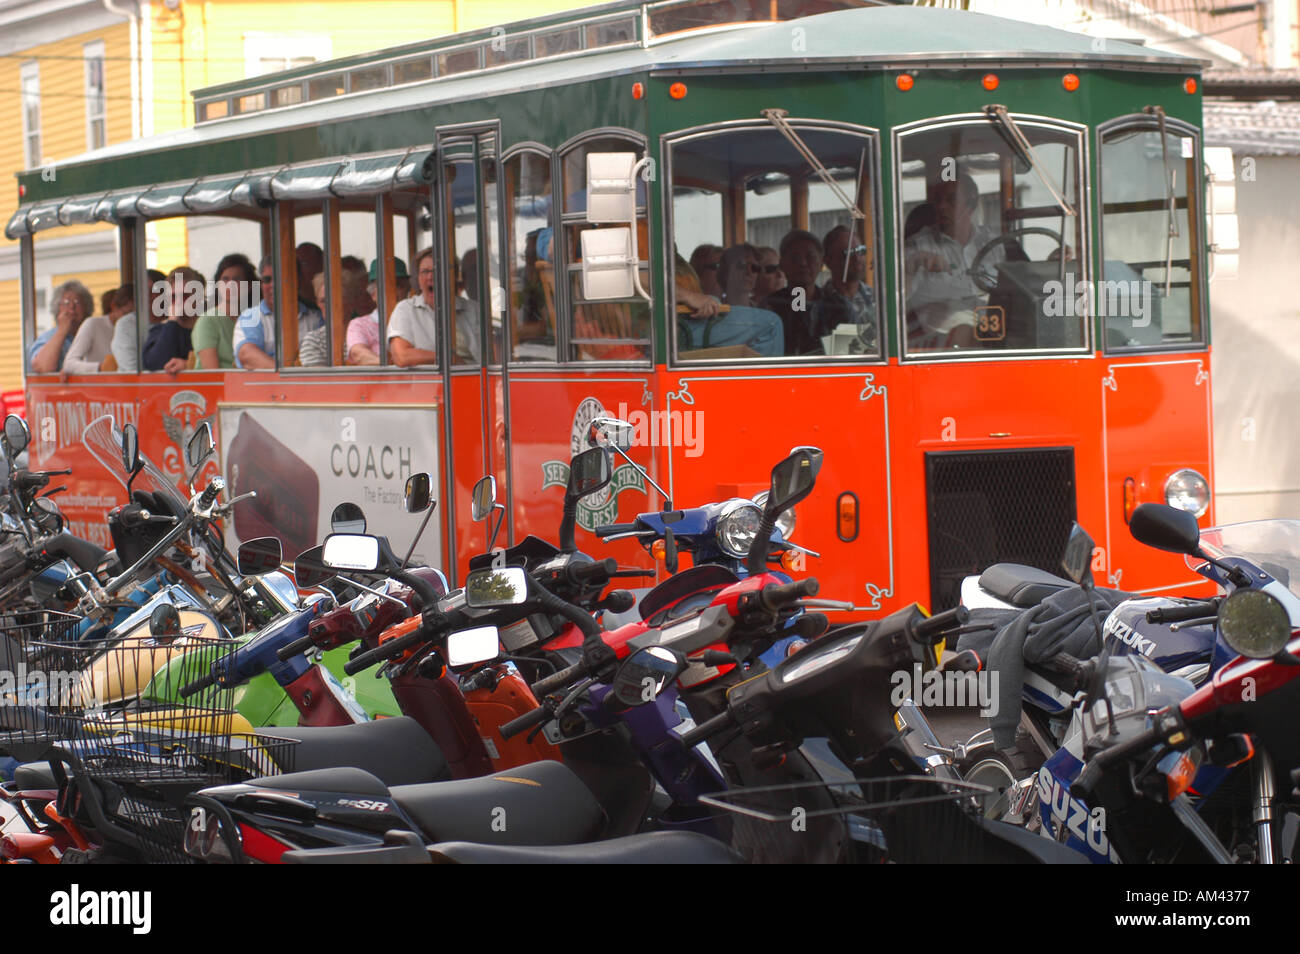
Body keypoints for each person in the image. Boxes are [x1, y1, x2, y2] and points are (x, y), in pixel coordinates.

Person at [903, 173, 1004, 349]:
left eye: (951, 200)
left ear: (971, 206)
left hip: (995, 335)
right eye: (938, 200)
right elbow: (892, 301)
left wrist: (1049, 264)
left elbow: (1019, 286)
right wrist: (913, 264)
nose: (942, 207)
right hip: (940, 347)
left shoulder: (993, 244)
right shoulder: (918, 247)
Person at [677, 245, 783, 357]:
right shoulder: (713, 310)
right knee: (771, 324)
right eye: (741, 265)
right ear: (724, 272)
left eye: (755, 268)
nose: (749, 272)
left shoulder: (765, 309)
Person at [388, 248, 477, 367]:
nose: (430, 277)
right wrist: (448, 358)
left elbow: (495, 353)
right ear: (418, 280)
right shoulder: (405, 309)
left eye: (437, 270)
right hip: (430, 384)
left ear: (453, 277)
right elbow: (401, 356)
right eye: (425, 271)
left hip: (478, 381)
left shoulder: (474, 309)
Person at [233, 255, 324, 369]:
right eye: (267, 280)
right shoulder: (250, 317)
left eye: (280, 278)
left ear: (298, 281)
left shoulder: (316, 318)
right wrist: (291, 378)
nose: (273, 285)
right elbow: (247, 355)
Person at [760, 230, 832, 356]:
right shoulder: (769, 308)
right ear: (782, 265)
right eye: (795, 258)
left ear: (821, 263)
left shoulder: (838, 306)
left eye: (810, 257)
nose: (803, 264)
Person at [299, 256, 372, 367]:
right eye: (323, 301)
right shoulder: (314, 341)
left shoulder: (368, 333)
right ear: (318, 304)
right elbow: (317, 382)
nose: (329, 306)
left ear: (351, 302)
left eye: (336, 300)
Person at [820, 225, 878, 354]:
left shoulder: (878, 298)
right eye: (848, 253)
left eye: (860, 250)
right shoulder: (819, 303)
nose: (857, 258)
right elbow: (829, 351)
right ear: (828, 261)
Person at [193, 253, 256, 370]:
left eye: (237, 279)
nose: (230, 285)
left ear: (249, 286)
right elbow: (211, 372)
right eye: (225, 279)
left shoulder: (252, 319)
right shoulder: (208, 320)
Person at [346, 257, 409, 366]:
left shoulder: (417, 319)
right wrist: (395, 366)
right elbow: (359, 354)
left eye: (398, 285)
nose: (393, 291)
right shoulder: (359, 325)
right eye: (385, 286)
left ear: (407, 290)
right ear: (373, 294)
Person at [144, 266, 205, 373]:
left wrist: (188, 366)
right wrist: (172, 322)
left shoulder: (209, 328)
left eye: (185, 296)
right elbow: (154, 365)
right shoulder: (159, 331)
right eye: (173, 297)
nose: (178, 301)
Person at [107, 270, 167, 372]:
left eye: (155, 292)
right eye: (143, 291)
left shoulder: (173, 323)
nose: (150, 296)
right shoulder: (126, 324)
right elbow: (132, 370)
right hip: (134, 386)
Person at [62, 285, 130, 375]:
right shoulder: (93, 324)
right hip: (99, 386)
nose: (130, 319)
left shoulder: (138, 328)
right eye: (126, 314)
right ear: (114, 307)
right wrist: (100, 367)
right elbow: (69, 364)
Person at [29, 280, 93, 373]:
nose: (71, 307)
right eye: (66, 303)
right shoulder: (48, 338)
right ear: (57, 308)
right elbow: (42, 368)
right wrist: (62, 330)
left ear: (87, 308)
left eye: (77, 302)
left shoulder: (92, 334)